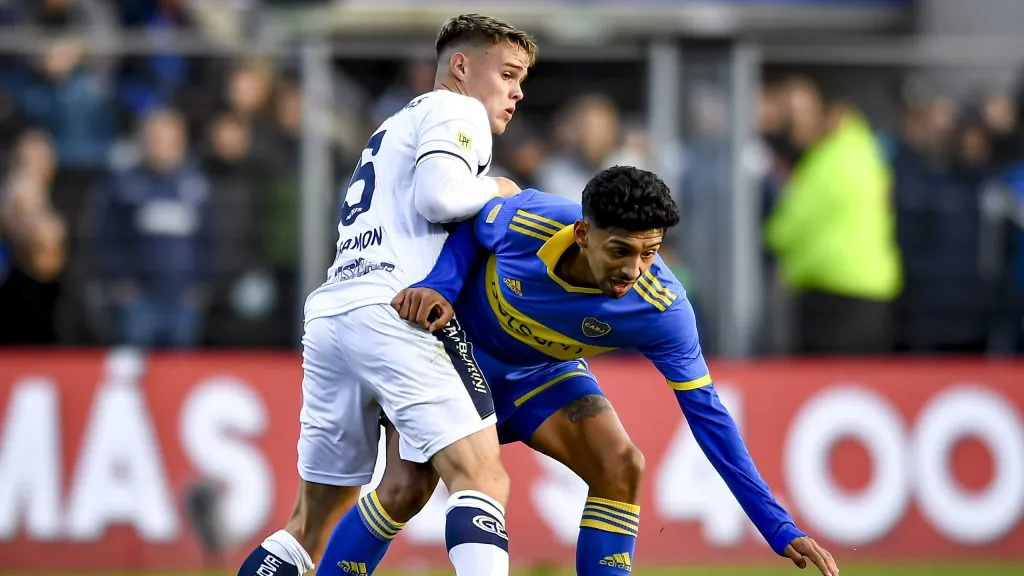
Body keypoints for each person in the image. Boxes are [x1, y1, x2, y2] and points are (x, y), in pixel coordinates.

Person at [317, 166, 840, 576]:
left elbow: (709, 417)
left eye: (650, 253)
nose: (633, 270)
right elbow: (474, 230)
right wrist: (443, 287)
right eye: (620, 250)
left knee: (621, 465)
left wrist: (778, 526)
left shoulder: (663, 309)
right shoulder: (529, 219)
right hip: (452, 359)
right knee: (405, 490)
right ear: (583, 233)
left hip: (540, 373)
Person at [235, 14, 535, 576]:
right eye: (507, 74)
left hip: (334, 312)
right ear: (461, 67)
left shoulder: (393, 126)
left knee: (309, 526)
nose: (517, 92)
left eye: (522, 80)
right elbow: (439, 198)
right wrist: (498, 188)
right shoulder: (457, 109)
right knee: (481, 477)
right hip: (395, 310)